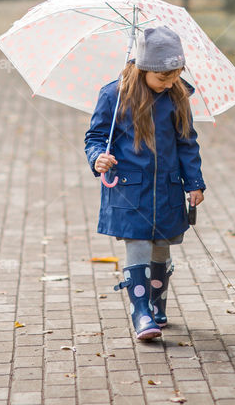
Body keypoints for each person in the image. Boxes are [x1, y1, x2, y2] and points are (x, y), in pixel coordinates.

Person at [84, 26, 206, 340]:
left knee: (162, 247)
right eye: (162, 78)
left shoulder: (178, 97)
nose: (168, 84)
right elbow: (96, 137)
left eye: (174, 76)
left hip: (167, 187)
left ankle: (156, 304)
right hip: (129, 188)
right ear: (143, 68)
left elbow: (187, 143)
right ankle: (141, 313)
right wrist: (99, 157)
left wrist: (194, 182)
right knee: (137, 243)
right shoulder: (114, 94)